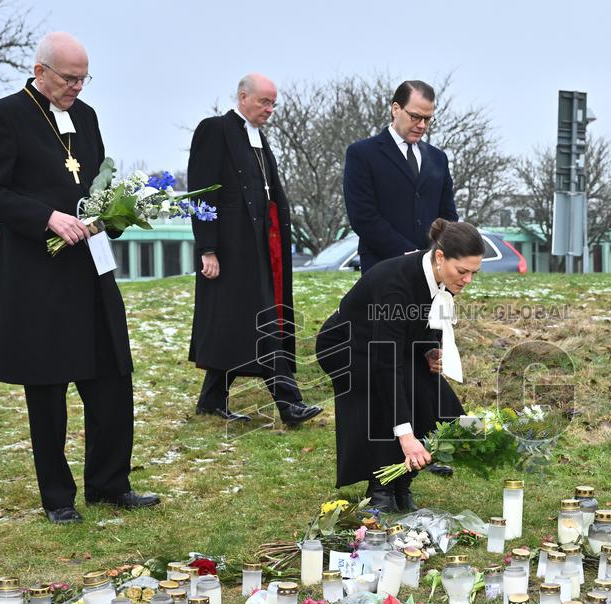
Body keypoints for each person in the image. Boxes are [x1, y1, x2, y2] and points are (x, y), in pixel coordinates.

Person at [0, 32, 159, 524]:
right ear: (40, 72)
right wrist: (47, 218)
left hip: (90, 269)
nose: (77, 86)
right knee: (48, 390)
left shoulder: (88, 117)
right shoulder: (5, 116)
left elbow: (92, 180)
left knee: (112, 378)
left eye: (82, 77)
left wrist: (115, 211)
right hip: (39, 276)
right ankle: (58, 498)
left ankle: (110, 484)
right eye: (68, 78)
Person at [315, 219, 484, 512]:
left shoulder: (442, 276)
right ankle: (380, 486)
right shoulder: (396, 285)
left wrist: (431, 348)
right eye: (463, 271)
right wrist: (406, 436)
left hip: (387, 346)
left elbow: (427, 320)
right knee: (390, 389)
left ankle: (403, 482)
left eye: (474, 273)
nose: (467, 280)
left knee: (431, 391)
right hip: (343, 347)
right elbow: (386, 366)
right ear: (441, 257)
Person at [187, 73, 322, 426]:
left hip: (262, 250)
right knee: (262, 323)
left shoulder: (258, 139)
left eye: (273, 103)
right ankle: (288, 403)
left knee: (239, 325)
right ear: (243, 97)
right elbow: (202, 193)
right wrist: (207, 248)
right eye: (264, 101)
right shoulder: (214, 130)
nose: (270, 109)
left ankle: (211, 398)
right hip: (230, 252)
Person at [343, 80, 458, 275]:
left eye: (428, 119)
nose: (422, 125)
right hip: (383, 268)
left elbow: (447, 214)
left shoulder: (438, 158)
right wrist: (410, 254)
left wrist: (435, 253)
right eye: (415, 116)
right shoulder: (362, 153)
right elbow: (363, 216)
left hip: (432, 270)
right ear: (396, 109)